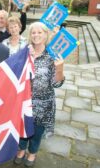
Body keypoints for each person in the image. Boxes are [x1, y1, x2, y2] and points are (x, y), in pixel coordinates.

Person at [14, 22, 65, 167]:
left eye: (39, 32)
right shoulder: (24, 51)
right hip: (24, 100)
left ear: (46, 34)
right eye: (33, 32)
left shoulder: (52, 55)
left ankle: (32, 153)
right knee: (23, 127)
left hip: (43, 103)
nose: (36, 35)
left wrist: (59, 69)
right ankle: (22, 149)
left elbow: (56, 84)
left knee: (36, 132)